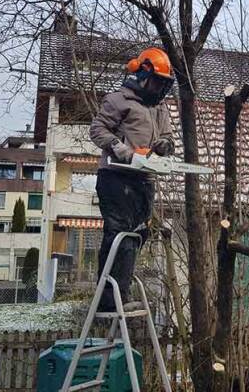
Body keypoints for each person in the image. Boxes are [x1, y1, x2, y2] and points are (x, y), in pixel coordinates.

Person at [89, 47, 176, 312]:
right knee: (120, 235)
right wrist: (116, 145)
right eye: (157, 82)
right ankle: (110, 299)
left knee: (139, 233)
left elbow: (169, 139)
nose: (159, 88)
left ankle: (119, 290)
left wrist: (164, 146)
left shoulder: (159, 108)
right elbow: (97, 128)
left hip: (144, 177)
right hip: (116, 176)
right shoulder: (118, 100)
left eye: (163, 84)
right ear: (142, 74)